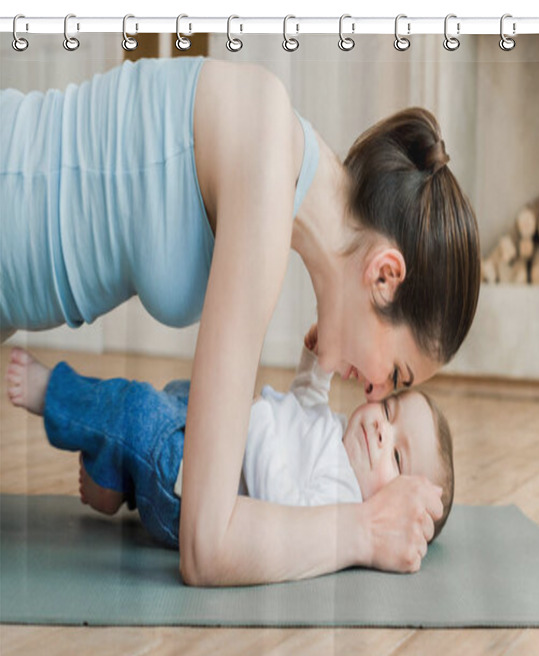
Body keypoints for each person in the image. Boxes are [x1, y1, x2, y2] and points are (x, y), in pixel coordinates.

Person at [0, 56, 480, 586]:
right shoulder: (268, 169)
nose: (371, 393)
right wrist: (365, 530)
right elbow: (207, 546)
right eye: (395, 377)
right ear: (386, 277)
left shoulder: (285, 156)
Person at [5, 337, 455, 582]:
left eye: (396, 455)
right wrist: (317, 363)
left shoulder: (342, 496)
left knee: (138, 411)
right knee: (178, 393)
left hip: (192, 490)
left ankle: (54, 395)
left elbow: (281, 503)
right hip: (220, 435)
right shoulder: (342, 435)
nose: (381, 429)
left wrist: (254, 419)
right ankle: (114, 486)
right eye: (390, 411)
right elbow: (306, 407)